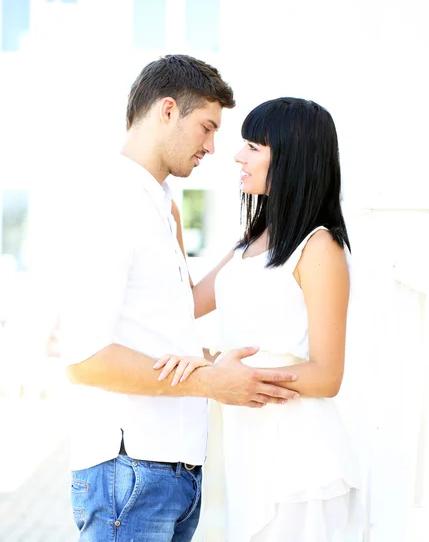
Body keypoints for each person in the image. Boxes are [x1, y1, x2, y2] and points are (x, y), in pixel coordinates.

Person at [60, 56, 300, 542]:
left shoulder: (159, 202)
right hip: (129, 471)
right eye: (207, 127)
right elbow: (84, 358)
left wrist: (274, 230)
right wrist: (212, 381)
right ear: (167, 111)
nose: (213, 147)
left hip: (172, 467)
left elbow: (171, 313)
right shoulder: (112, 200)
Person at [156, 97, 363, 541]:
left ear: (290, 159)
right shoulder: (252, 240)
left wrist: (233, 375)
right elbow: (187, 301)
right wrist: (168, 218)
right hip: (251, 449)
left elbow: (327, 376)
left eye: (253, 146)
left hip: (301, 463)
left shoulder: (319, 247)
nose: (236, 155)